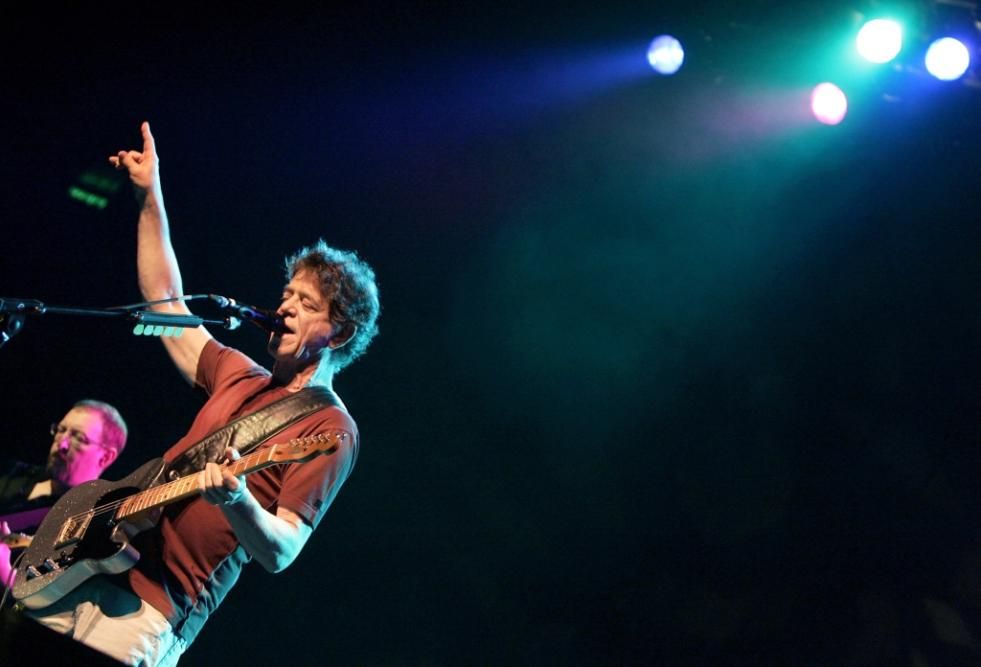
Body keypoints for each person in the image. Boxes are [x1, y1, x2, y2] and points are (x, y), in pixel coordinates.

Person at [23, 121, 380, 666]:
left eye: (305, 303)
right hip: (83, 567)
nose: (283, 307)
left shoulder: (331, 429)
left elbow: (282, 550)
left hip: (153, 609)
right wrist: (150, 192)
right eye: (286, 294)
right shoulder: (237, 371)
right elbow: (166, 302)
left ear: (339, 334)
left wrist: (237, 500)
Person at [0, 400, 128, 589]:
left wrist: (5, 573)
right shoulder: (12, 473)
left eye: (79, 438)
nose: (62, 444)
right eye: (60, 430)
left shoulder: (91, 525)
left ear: (106, 457)